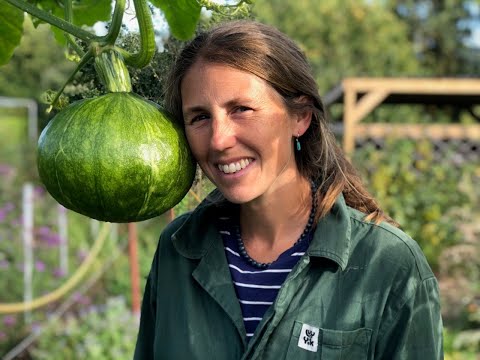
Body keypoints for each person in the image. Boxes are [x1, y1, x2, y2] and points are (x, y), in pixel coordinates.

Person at [134, 20, 443, 359]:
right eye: (199, 117)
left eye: (242, 109)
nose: (219, 140)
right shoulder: (177, 249)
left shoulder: (388, 262)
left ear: (301, 117)